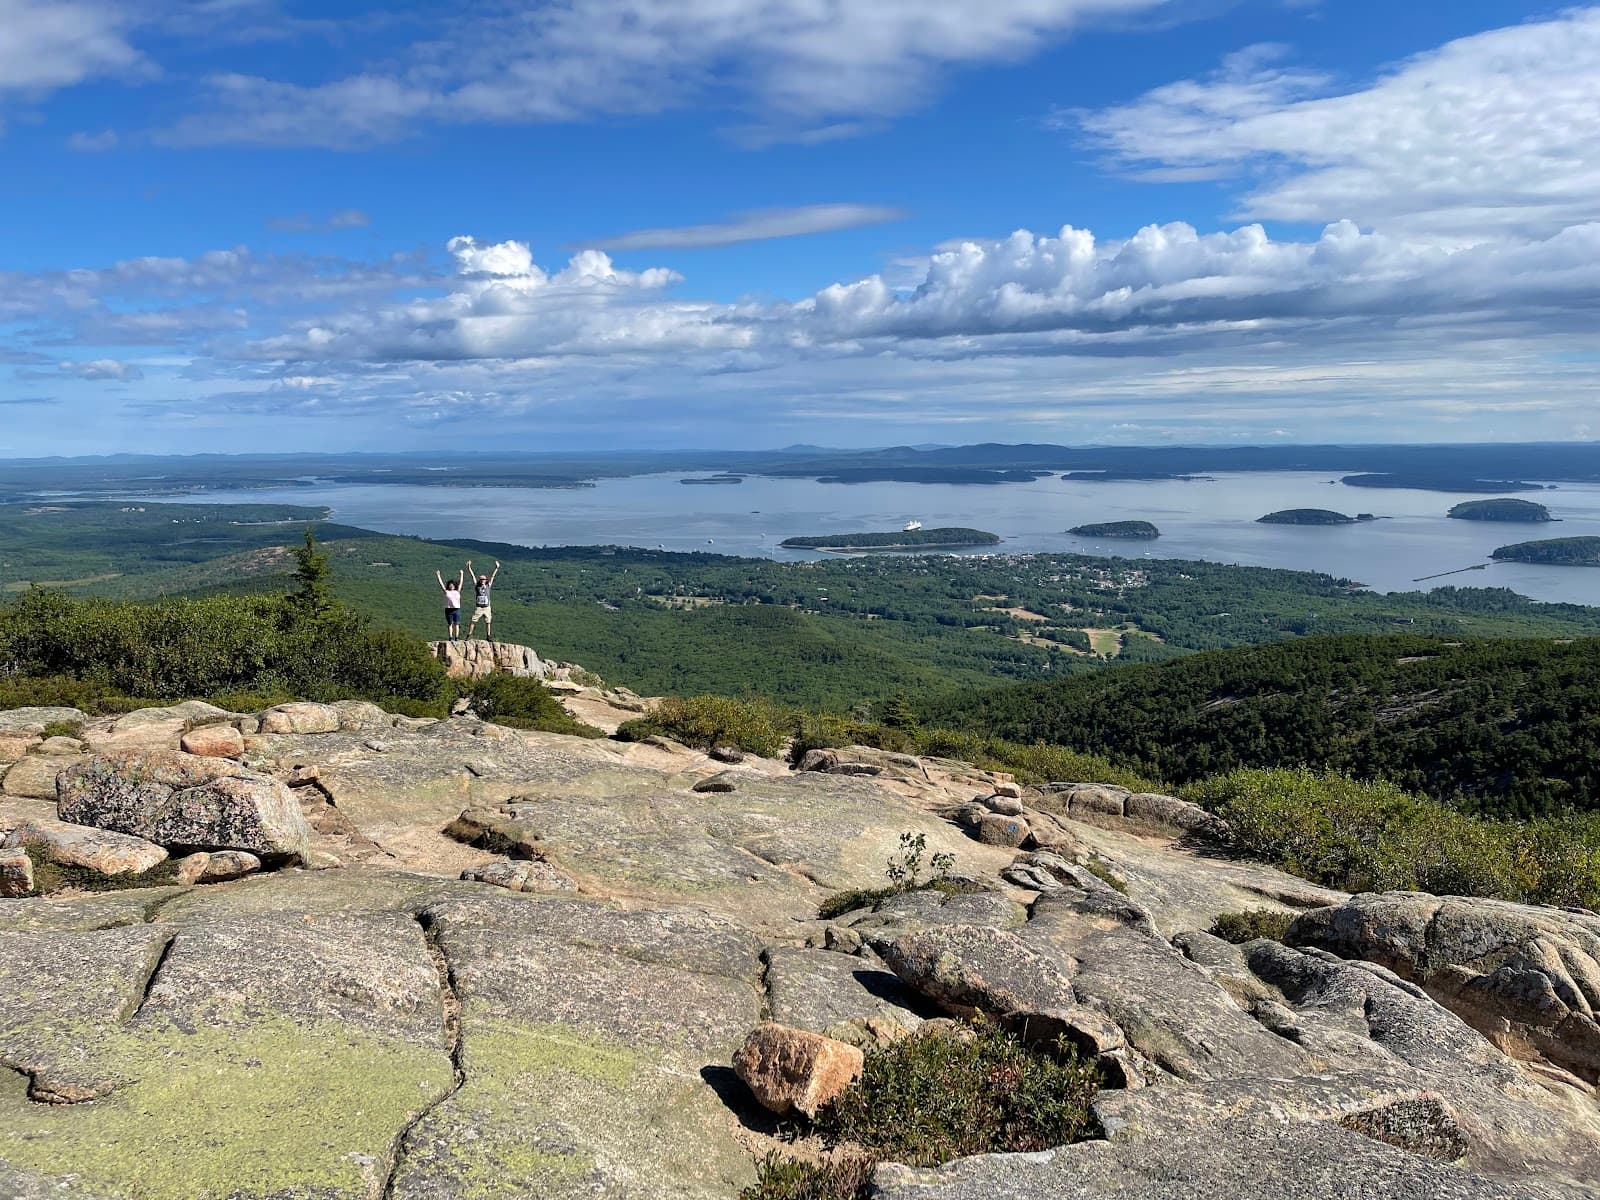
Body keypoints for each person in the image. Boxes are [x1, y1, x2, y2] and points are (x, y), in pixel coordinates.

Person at [465, 559, 500, 641]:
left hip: (487, 607)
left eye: (484, 579)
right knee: (473, 620)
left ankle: (488, 636)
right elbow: (473, 576)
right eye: (481, 579)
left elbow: (492, 576)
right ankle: (469, 635)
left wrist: (496, 568)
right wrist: (469, 567)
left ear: (486, 580)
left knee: (488, 622)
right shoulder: (477, 586)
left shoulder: (488, 585)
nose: (482, 580)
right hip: (479, 607)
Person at [435, 569, 463, 641]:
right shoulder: (446, 591)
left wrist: (461, 574)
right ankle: (450, 637)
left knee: (457, 624)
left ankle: (456, 637)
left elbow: (461, 583)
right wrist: (438, 575)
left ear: (454, 586)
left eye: (453, 585)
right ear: (449, 586)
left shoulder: (457, 591)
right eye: (450, 585)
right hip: (448, 609)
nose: (451, 586)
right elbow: (441, 584)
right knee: (450, 624)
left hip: (456, 609)